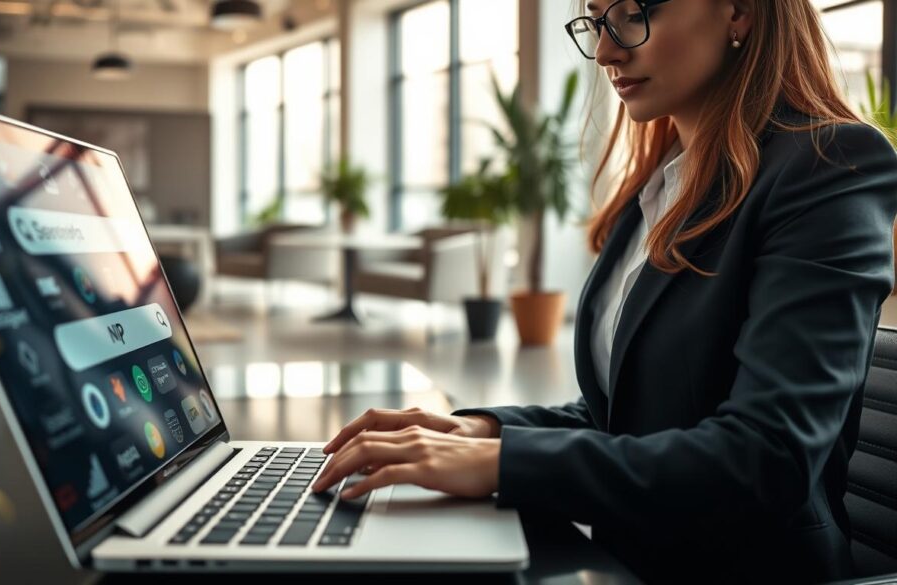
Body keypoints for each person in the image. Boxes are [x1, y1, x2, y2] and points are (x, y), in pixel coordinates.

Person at [311, 1, 897, 583]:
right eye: (598, 20)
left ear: (738, 13)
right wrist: (483, 430)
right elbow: (633, 417)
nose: (606, 50)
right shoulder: (659, 185)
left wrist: (501, 463)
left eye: (635, 13)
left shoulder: (830, 167)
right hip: (625, 561)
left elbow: (764, 461)